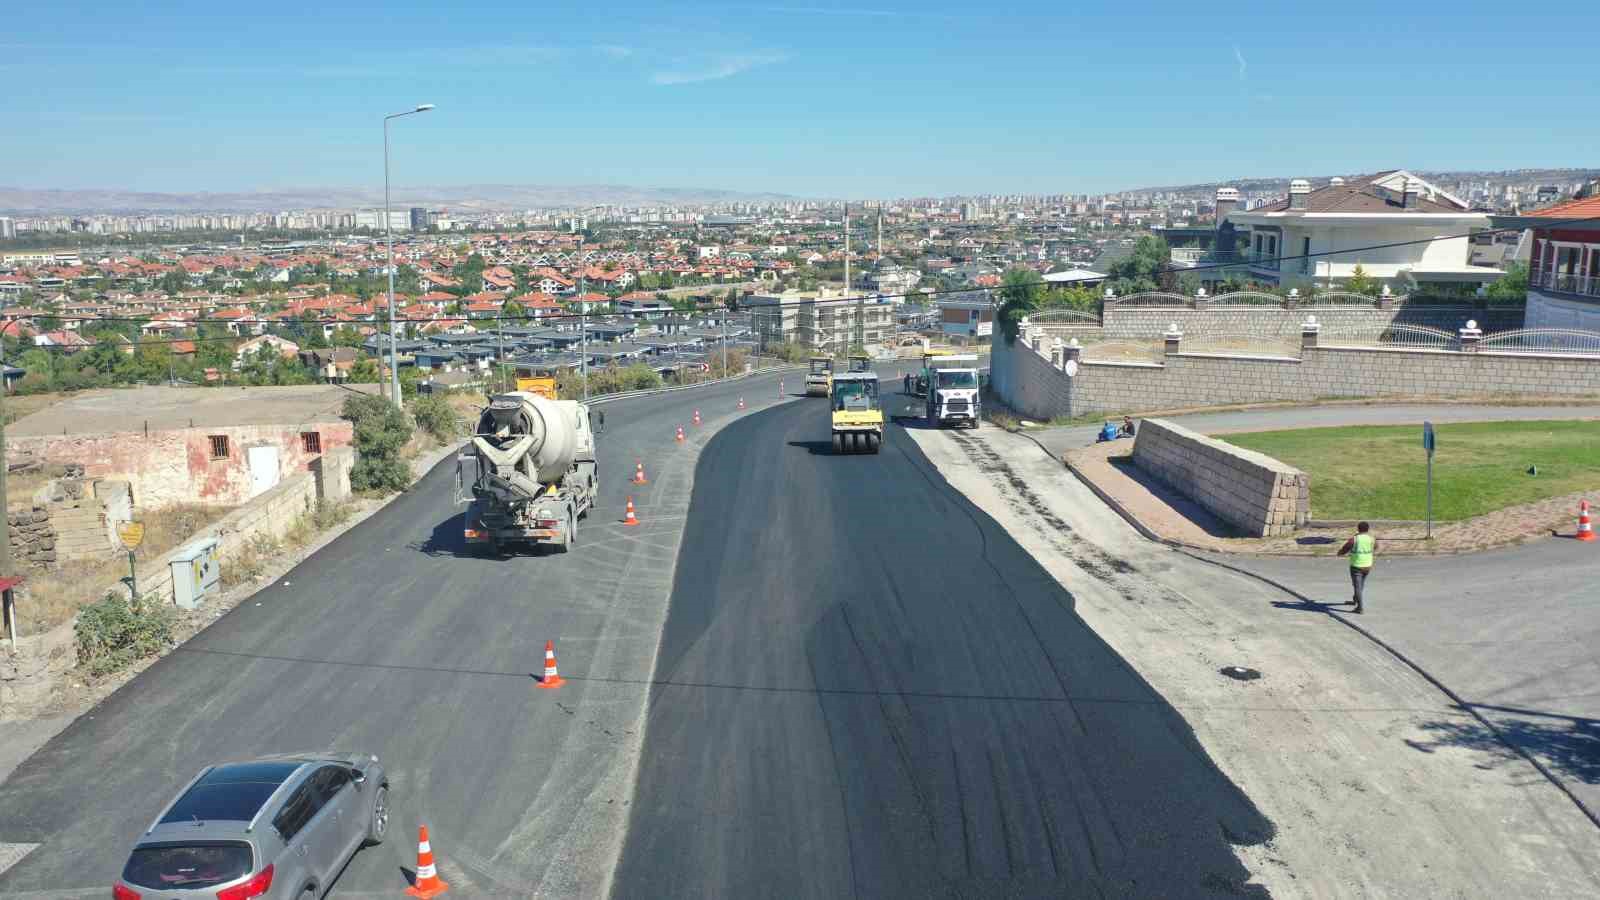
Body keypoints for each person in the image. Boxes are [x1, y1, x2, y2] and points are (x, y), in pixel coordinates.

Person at [1337, 521, 1376, 614]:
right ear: (1368, 529)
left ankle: (1360, 608)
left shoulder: (1355, 539)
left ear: (1358, 529)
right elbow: (1376, 547)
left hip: (1356, 566)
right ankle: (1355, 600)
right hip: (1368, 565)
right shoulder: (1371, 538)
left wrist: (1340, 553)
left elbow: (1345, 548)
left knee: (1357, 586)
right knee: (1360, 584)